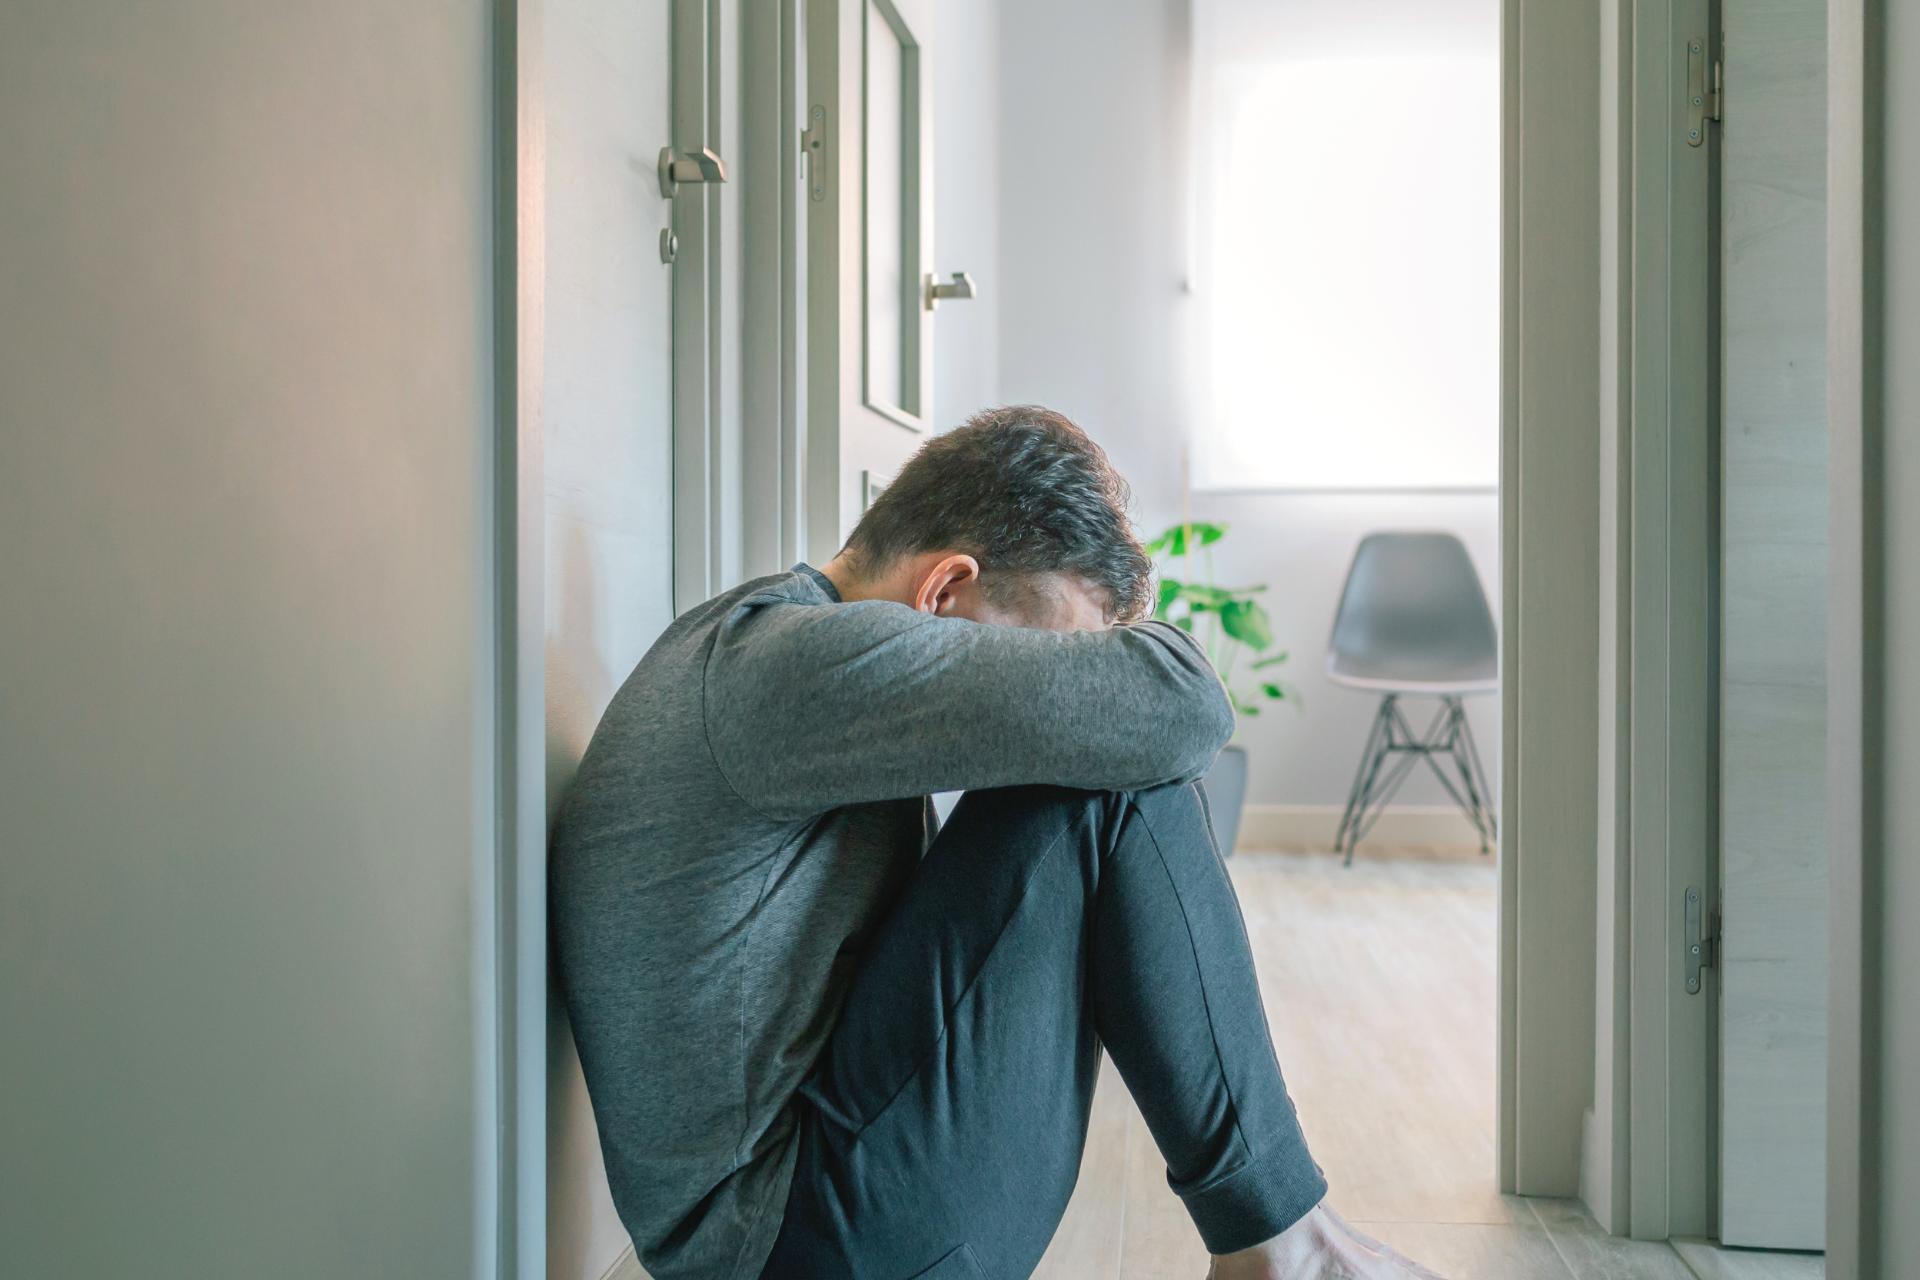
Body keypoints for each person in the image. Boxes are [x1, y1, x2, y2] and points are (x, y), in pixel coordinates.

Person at [550, 407, 1445, 1280]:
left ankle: (1281, 1233)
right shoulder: (792, 665)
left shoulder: (767, 646)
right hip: (782, 1242)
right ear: (942, 590)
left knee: (1103, 753)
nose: (1041, 685)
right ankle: (1280, 1246)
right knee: (1104, 779)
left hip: (799, 1211)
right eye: (1048, 657)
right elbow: (1182, 701)